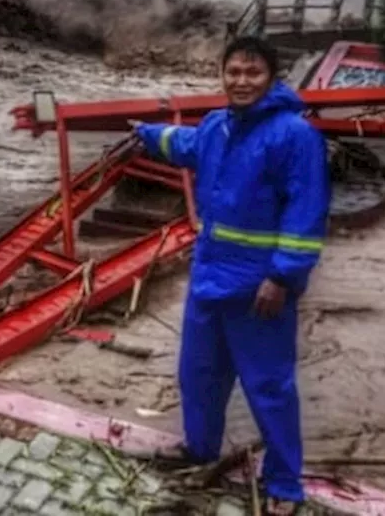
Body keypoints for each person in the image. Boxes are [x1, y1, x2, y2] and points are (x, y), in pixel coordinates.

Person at [131, 37, 330, 515]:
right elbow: (184, 145)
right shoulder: (218, 126)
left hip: (259, 285)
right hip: (209, 274)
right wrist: (144, 132)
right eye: (233, 72)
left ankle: (283, 484)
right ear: (221, 74)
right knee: (199, 373)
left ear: (272, 77)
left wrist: (282, 277)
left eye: (253, 73)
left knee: (268, 385)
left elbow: (306, 215)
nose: (241, 81)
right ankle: (199, 448)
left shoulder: (295, 136)